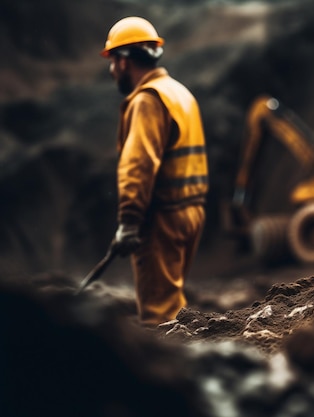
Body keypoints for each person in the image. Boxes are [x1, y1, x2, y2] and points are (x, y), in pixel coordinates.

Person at [100, 16, 209, 326]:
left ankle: (171, 371)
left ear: (123, 62)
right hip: (191, 213)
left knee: (158, 315)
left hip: (162, 220)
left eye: (112, 61)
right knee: (172, 303)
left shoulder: (148, 100)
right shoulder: (179, 93)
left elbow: (139, 165)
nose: (111, 70)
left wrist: (130, 222)